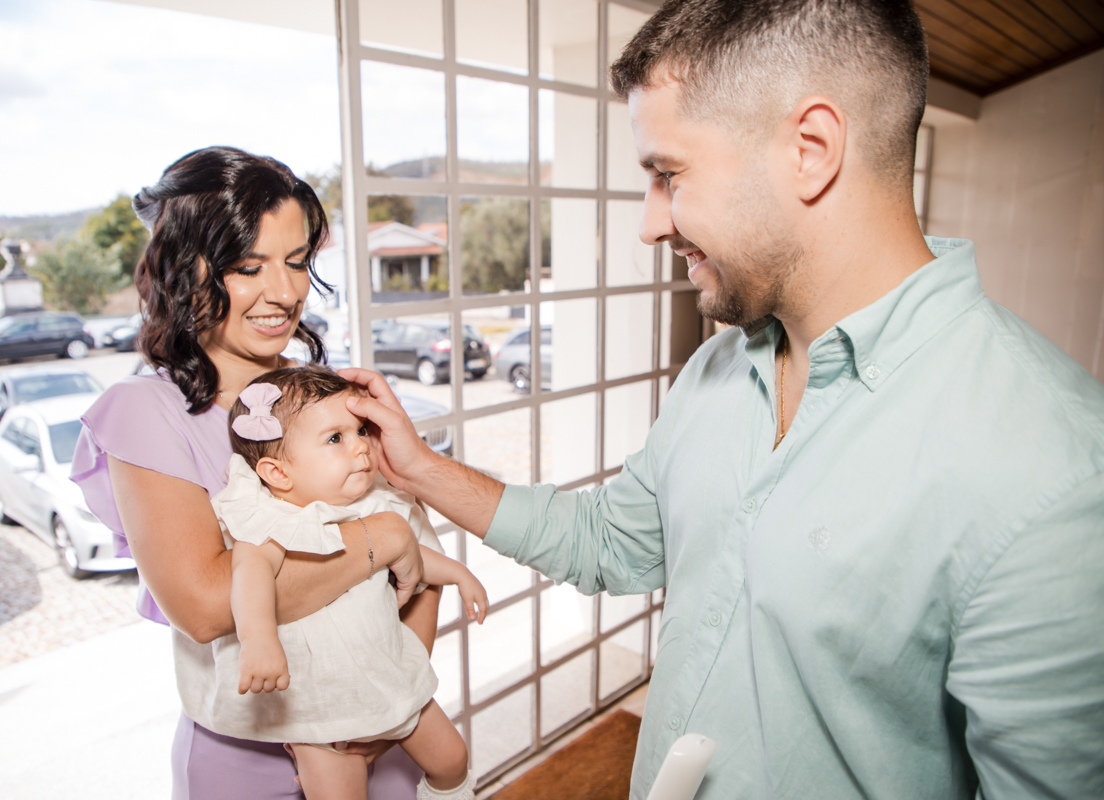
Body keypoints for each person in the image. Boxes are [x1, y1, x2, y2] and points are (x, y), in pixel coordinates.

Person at [340, 1, 1104, 798]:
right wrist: (421, 470)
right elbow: (611, 541)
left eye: (668, 175)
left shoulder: (1057, 474)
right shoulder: (714, 371)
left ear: (810, 149)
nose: (648, 224)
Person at [71, 147, 436, 800]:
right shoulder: (145, 415)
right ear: (185, 271)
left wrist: (390, 703)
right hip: (245, 760)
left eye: (297, 262)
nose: (288, 292)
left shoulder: (329, 397)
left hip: (382, 736)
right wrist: (381, 539)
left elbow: (422, 573)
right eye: (249, 267)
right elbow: (209, 607)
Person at [208, 365, 485, 800]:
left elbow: (411, 554)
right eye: (336, 439)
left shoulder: (367, 501)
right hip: (320, 699)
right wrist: (259, 640)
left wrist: (459, 574)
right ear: (278, 474)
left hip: (387, 672)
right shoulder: (272, 517)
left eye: (359, 430)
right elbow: (250, 574)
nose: (360, 447)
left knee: (452, 760)